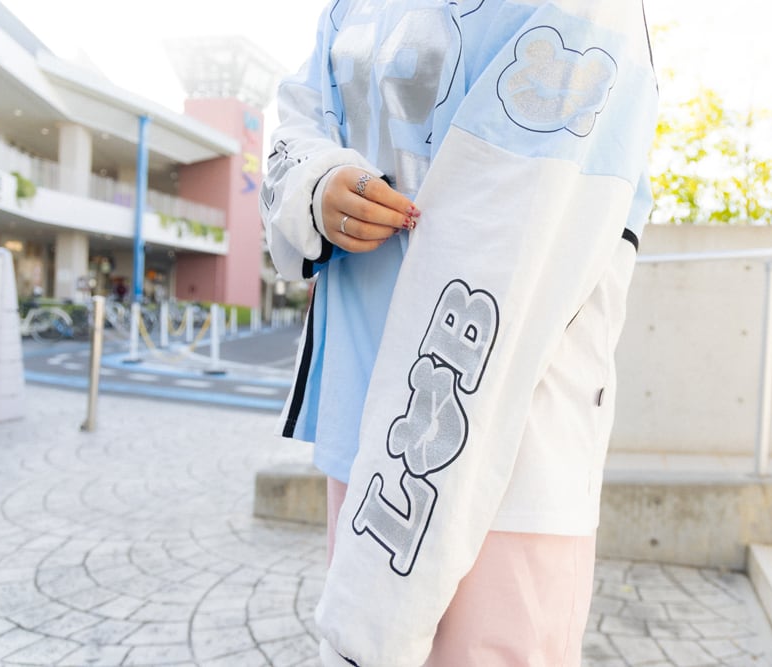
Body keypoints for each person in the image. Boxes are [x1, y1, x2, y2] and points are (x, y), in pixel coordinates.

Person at [260, 1, 659, 665]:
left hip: (509, 433)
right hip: (366, 420)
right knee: (361, 636)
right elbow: (303, 110)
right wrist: (317, 182)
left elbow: (527, 210)